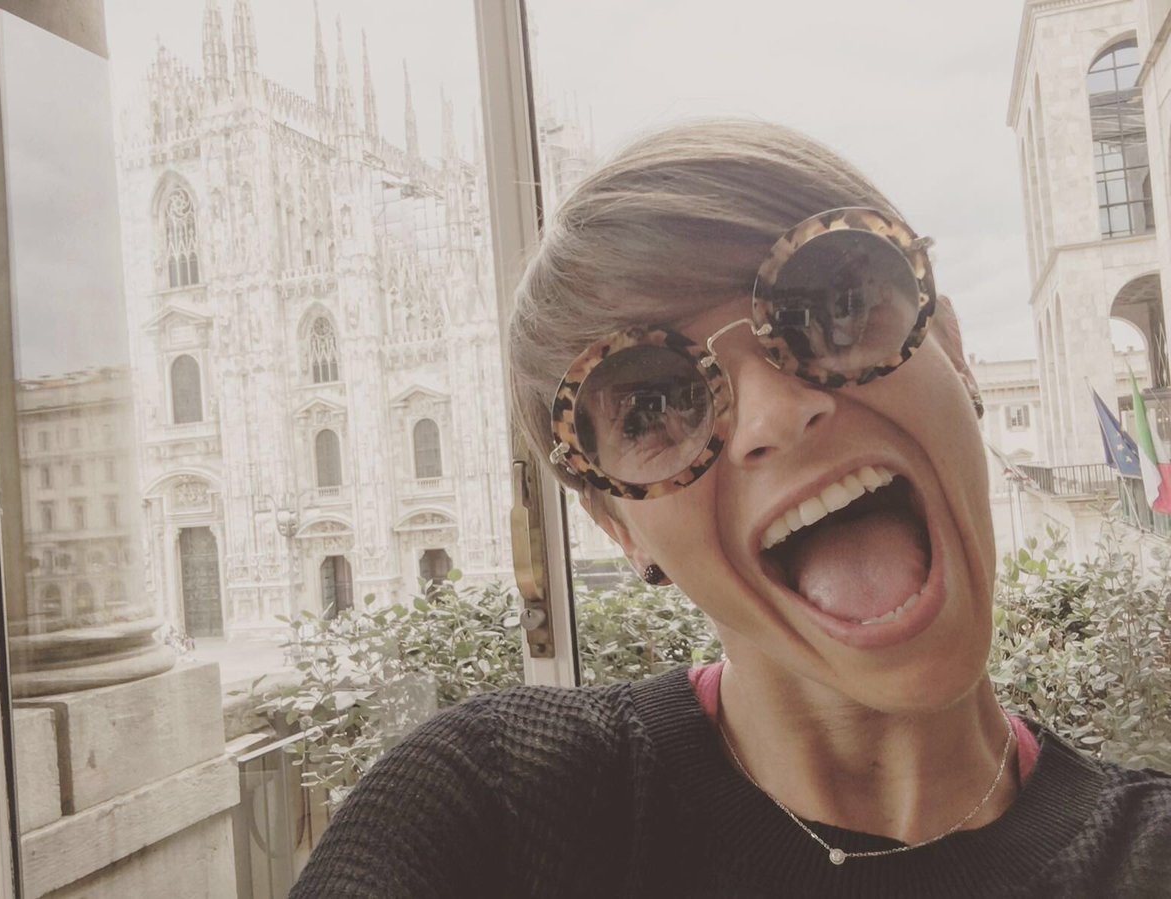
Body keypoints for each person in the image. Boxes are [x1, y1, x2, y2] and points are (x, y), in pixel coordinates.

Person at [290, 120, 1171, 898]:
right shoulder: (494, 808)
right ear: (619, 526)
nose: (775, 414)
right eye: (650, 407)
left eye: (834, 306)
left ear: (952, 349)